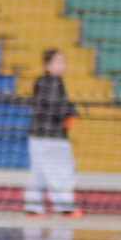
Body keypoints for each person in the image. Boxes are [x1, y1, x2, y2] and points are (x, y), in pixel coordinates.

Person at [26, 48, 81, 217]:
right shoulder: (52, 83)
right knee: (62, 170)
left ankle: (32, 207)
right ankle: (65, 206)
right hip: (51, 136)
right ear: (47, 65)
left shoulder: (43, 82)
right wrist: (71, 111)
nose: (63, 66)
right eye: (59, 62)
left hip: (38, 135)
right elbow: (55, 106)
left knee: (39, 172)